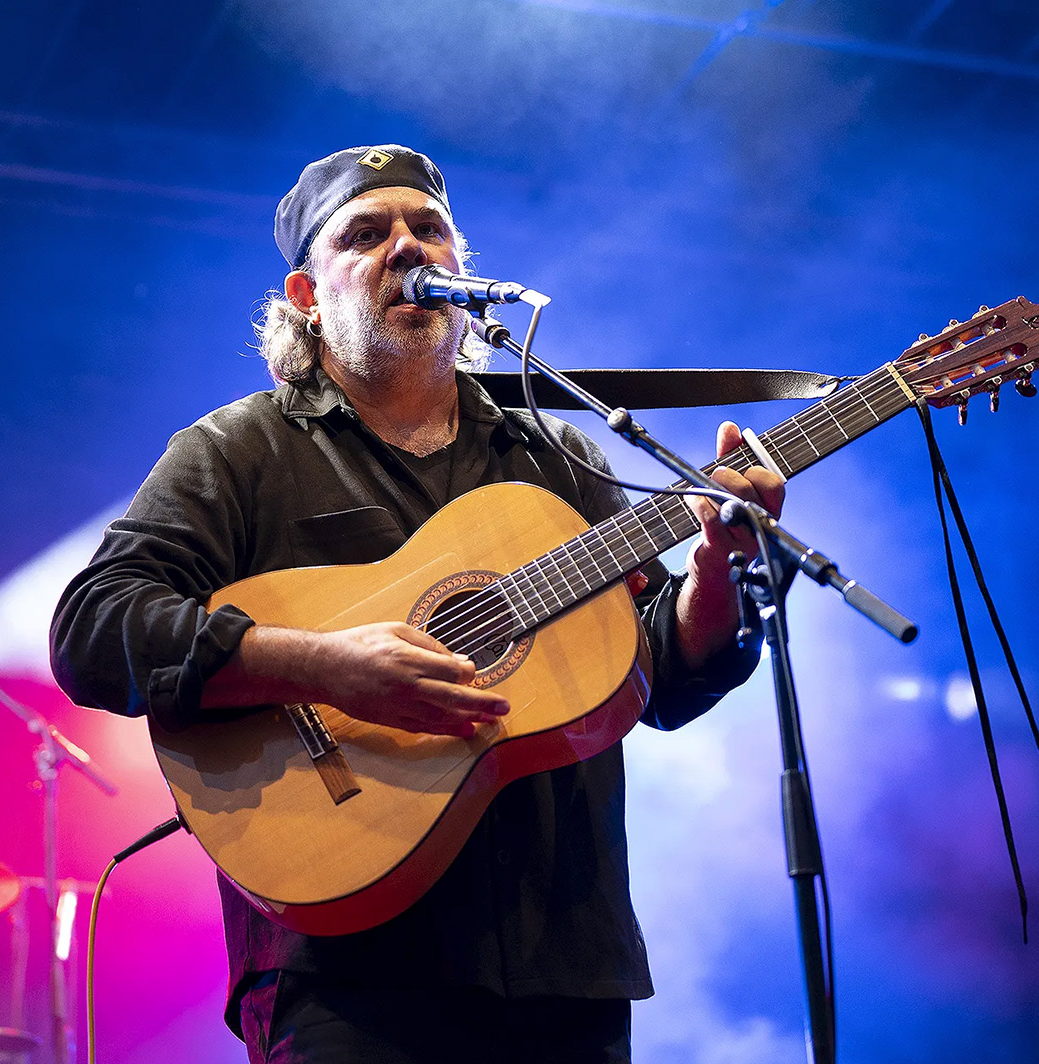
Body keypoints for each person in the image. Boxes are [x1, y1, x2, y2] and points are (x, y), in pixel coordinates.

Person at [50, 144, 785, 1063]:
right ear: (308, 296)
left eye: (428, 228)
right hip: (347, 973)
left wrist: (715, 565)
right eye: (366, 234)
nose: (408, 248)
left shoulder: (560, 458)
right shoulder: (237, 451)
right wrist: (324, 666)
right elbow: (92, 628)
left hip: (565, 958)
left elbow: (658, 676)